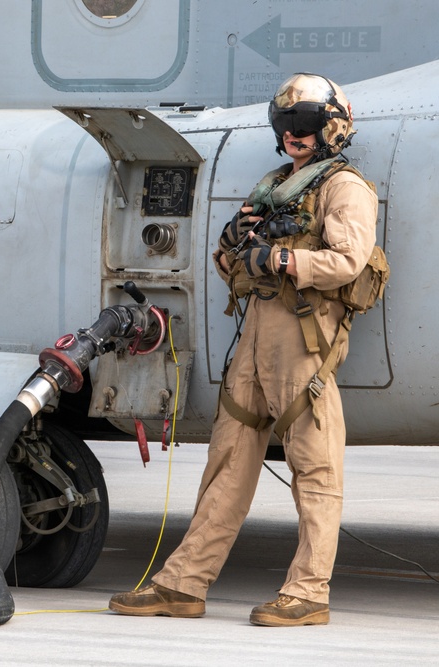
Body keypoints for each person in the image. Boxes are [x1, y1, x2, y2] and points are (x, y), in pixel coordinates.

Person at [108, 73, 379, 626]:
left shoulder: (344, 188)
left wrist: (280, 261)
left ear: (331, 128)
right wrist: (237, 248)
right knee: (226, 465)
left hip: (305, 344)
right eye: (286, 126)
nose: (293, 137)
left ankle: (308, 593)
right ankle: (184, 585)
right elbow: (231, 264)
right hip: (255, 342)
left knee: (315, 469)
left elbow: (347, 263)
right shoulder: (274, 187)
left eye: (304, 126)